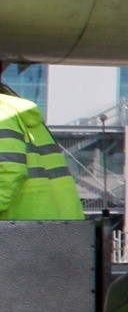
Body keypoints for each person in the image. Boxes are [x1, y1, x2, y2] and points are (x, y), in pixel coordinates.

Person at [0, 83, 83, 220]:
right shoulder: (14, 114)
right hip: (49, 222)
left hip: (23, 225)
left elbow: (9, 171)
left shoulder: (3, 114)